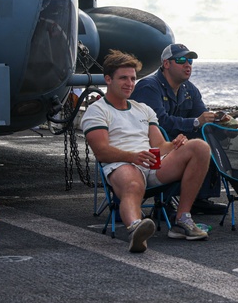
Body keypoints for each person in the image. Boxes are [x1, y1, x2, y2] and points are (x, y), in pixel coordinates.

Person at [83, 50, 211, 252]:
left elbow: (160, 146)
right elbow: (102, 152)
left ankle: (182, 219)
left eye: (133, 78)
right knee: (133, 183)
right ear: (108, 79)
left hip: (151, 163)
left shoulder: (143, 109)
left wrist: (175, 144)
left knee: (199, 147)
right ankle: (136, 229)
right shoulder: (97, 110)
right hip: (121, 163)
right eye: (123, 78)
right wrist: (132, 157)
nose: (130, 83)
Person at [130, 43, 226, 212]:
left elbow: (201, 116)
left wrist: (218, 120)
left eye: (190, 61)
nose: (187, 64)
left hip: (177, 141)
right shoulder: (149, 87)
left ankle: (199, 198)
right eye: (181, 60)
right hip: (151, 144)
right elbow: (158, 123)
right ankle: (163, 204)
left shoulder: (189, 89)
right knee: (186, 145)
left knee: (208, 139)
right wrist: (195, 122)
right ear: (166, 64)